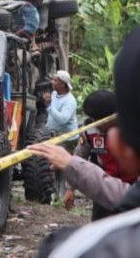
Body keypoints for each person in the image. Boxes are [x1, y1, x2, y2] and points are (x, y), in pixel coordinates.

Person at [33, 27, 140, 258]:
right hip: (104, 196)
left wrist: (71, 165)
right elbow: (82, 153)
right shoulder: (91, 132)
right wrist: (71, 187)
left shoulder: (129, 130)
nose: (92, 123)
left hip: (125, 194)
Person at [61, 90, 137, 220]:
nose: (95, 122)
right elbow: (79, 157)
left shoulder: (133, 128)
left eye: (98, 119)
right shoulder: (89, 130)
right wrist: (70, 188)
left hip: (134, 189)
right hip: (105, 190)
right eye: (92, 118)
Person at [45, 70, 78, 197]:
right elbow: (52, 114)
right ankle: (56, 194)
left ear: (63, 84)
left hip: (67, 137)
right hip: (55, 134)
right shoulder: (54, 94)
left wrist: (49, 106)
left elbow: (63, 119)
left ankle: (63, 195)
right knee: (54, 163)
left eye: (55, 80)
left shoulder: (70, 101)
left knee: (62, 165)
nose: (52, 82)